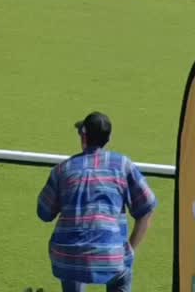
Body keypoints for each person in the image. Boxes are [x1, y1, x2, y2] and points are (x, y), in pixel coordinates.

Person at [37, 111, 156, 292]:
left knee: (73, 271)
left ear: (83, 136)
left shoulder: (61, 170)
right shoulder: (123, 165)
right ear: (109, 138)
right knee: (121, 273)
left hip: (66, 257)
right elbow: (146, 209)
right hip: (111, 257)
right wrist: (130, 250)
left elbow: (44, 213)